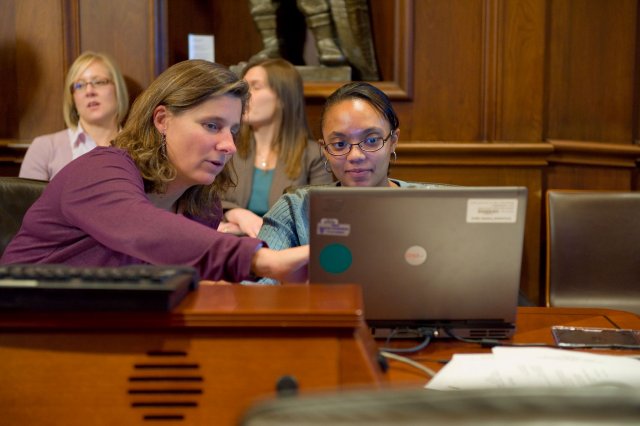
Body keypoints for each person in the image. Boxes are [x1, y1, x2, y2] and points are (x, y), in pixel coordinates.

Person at [1, 60, 308, 284]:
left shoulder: (203, 204)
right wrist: (259, 258)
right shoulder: (99, 169)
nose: (229, 145)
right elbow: (140, 227)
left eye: (234, 130)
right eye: (211, 125)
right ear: (162, 120)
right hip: (25, 333)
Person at [257, 81, 443, 266]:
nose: (356, 156)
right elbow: (256, 282)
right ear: (325, 150)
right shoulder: (296, 209)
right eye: (340, 144)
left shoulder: (436, 208)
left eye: (371, 140)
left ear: (393, 141)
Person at [219, 58, 333, 237]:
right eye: (243, 87)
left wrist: (259, 228)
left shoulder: (314, 155)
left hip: (286, 249)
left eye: (255, 87)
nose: (244, 96)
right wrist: (236, 214)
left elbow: (318, 216)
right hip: (231, 245)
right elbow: (205, 200)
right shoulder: (227, 147)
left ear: (283, 97)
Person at [19, 51, 129, 180]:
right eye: (80, 85)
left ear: (118, 89)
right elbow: (27, 200)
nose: (89, 91)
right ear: (72, 98)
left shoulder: (139, 149)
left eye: (99, 82)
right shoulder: (44, 148)